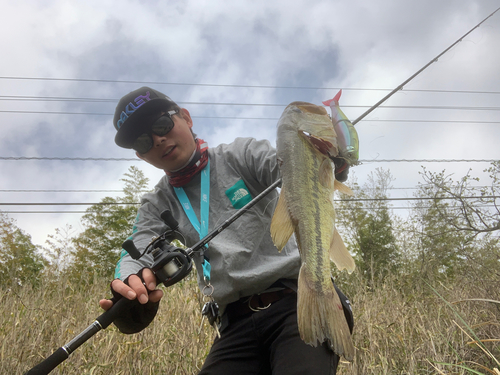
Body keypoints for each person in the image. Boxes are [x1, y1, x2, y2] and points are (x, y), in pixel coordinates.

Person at [99, 87, 353, 374]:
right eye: (144, 141)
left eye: (162, 125)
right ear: (141, 156)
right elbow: (136, 249)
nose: (158, 139)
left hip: (295, 300)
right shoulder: (156, 203)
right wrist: (129, 283)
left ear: (186, 117)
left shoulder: (242, 154)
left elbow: (291, 171)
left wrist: (330, 161)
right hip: (233, 325)